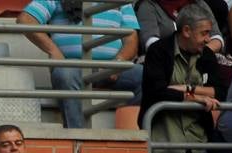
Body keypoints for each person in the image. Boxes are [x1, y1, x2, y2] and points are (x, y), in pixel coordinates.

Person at [140, 4, 223, 153]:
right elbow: (156, 92)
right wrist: (197, 98)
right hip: (163, 138)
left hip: (196, 140)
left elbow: (220, 90)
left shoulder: (206, 56)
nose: (208, 39)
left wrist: (187, 89)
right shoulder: (159, 51)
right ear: (186, 31)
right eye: (204, 33)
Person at [17, 0, 141, 128]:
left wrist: (119, 61)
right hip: (74, 67)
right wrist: (53, 50)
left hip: (110, 67)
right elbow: (26, 19)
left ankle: (131, 136)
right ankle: (78, 137)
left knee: (146, 75)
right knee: (65, 74)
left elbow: (131, 39)